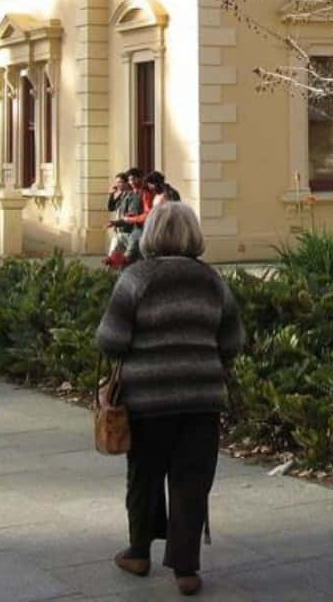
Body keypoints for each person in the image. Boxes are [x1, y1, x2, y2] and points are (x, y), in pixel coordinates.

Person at [96, 202, 244, 596]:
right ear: (193, 235)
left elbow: (110, 340)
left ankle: (139, 552)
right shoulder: (212, 281)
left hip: (147, 401)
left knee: (144, 475)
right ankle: (186, 570)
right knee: (191, 480)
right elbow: (232, 341)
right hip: (202, 398)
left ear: (152, 234)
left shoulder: (135, 279)